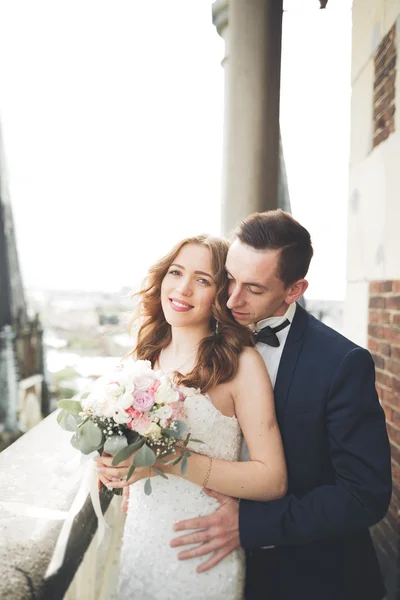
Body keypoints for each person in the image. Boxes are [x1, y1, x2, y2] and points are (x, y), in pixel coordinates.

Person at [166, 210, 392, 600]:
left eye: (253, 289)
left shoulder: (340, 364)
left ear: (294, 290)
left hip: (311, 577)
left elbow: (364, 494)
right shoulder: (197, 332)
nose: (232, 299)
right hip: (198, 563)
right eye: (230, 279)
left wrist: (251, 525)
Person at [97, 234, 287, 600]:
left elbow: (272, 478)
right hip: (141, 542)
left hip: (200, 551)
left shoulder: (241, 365)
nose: (182, 289)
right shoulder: (144, 355)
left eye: (202, 280)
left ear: (220, 294)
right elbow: (130, 446)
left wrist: (167, 460)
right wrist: (111, 463)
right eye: (176, 272)